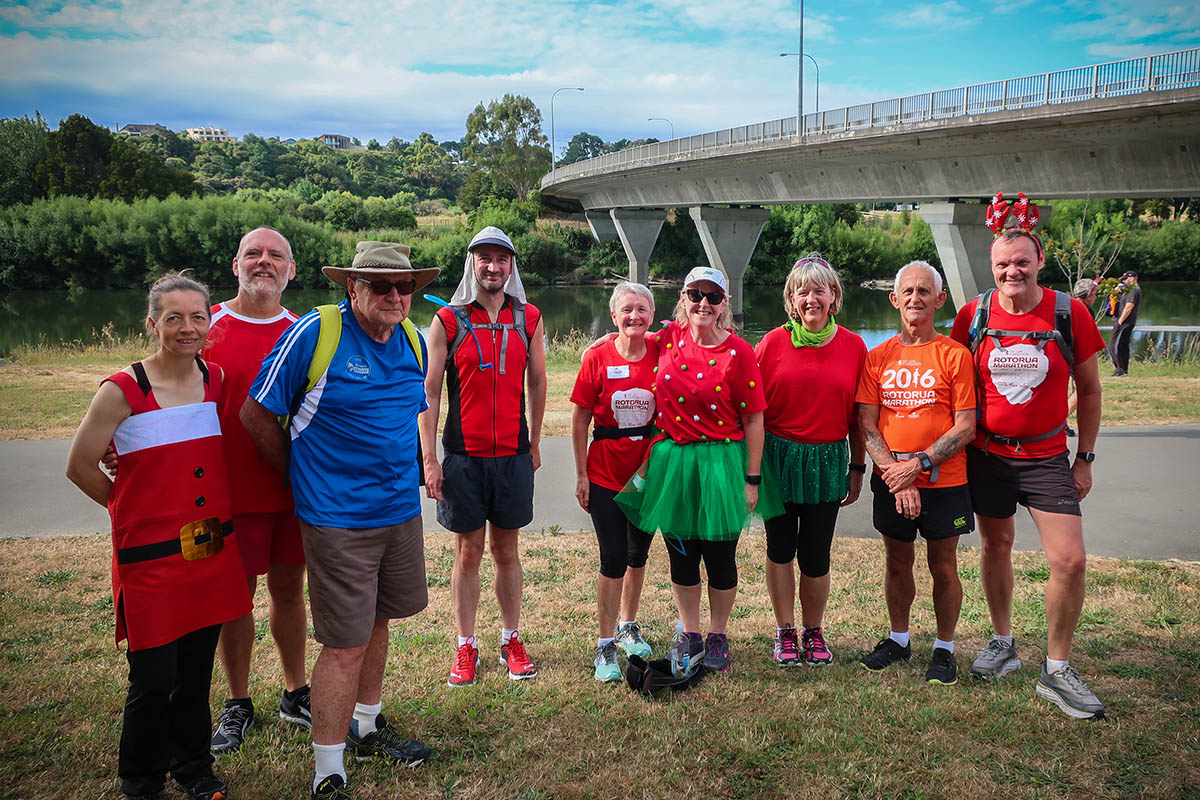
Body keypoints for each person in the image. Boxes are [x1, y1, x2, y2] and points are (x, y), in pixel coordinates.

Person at [242, 242, 438, 798]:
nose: (395, 296)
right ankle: (328, 768)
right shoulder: (317, 333)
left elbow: (404, 418)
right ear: (352, 287)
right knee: (345, 644)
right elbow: (255, 412)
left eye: (404, 286)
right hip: (338, 520)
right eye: (380, 285)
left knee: (378, 622)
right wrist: (299, 474)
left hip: (398, 513)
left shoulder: (413, 340)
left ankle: (366, 724)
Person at [66, 273, 251, 800]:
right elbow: (79, 466)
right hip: (150, 559)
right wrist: (128, 510)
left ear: (210, 322)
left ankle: (193, 768)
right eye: (174, 318)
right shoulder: (121, 390)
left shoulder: (214, 380)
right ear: (153, 324)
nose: (187, 328)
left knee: (195, 672)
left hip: (209, 550)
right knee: (152, 677)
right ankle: (141, 781)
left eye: (197, 317)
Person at [950, 211, 1108, 720]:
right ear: (991, 266)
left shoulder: (1069, 313)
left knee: (1070, 560)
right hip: (987, 456)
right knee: (995, 545)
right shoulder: (973, 315)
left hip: (1046, 458)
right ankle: (1003, 643)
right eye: (1003, 264)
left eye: (1021, 262)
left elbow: (1089, 390)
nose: (1011, 271)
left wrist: (1084, 458)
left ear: (1039, 260)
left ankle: (1057, 669)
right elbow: (954, 386)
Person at [615, 266, 783, 676]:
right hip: (674, 465)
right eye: (695, 295)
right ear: (683, 299)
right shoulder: (668, 338)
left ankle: (718, 634)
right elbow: (628, 340)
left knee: (720, 556)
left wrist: (753, 478)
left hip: (722, 464)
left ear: (725, 304)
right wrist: (604, 343)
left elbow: (754, 420)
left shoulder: (739, 352)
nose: (703, 303)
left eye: (713, 296)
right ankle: (690, 632)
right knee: (682, 555)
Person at [420, 226, 548, 687]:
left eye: (501, 259)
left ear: (511, 266)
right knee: (468, 552)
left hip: (512, 455)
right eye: (484, 259)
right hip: (464, 457)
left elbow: (537, 381)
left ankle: (511, 639)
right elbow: (430, 392)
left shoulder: (528, 317)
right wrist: (429, 458)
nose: (493, 267)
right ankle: (466, 644)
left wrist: (535, 443)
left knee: (506, 550)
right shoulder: (448, 321)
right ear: (472, 264)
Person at [204, 227, 310, 753]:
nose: (263, 262)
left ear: (291, 270)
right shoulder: (204, 327)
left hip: (290, 490)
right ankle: (238, 701)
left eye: (275, 256)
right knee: (234, 598)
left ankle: (295, 693)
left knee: (289, 591)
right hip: (227, 493)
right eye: (253, 254)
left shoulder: (304, 332)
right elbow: (162, 390)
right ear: (236, 265)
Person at [855, 262, 976, 685]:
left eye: (924, 291)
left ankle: (944, 648)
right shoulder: (877, 357)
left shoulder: (955, 355)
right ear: (894, 299)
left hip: (945, 481)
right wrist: (896, 476)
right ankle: (899, 639)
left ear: (940, 299)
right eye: (907, 291)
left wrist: (917, 466)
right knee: (896, 561)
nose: (915, 298)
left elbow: (965, 427)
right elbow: (867, 424)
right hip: (892, 481)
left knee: (943, 564)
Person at [754, 255, 867, 667]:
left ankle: (813, 631)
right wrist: (751, 470)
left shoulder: (854, 347)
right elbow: (753, 413)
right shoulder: (771, 344)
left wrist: (857, 468)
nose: (811, 299)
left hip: (828, 460)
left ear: (834, 296)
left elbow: (860, 417)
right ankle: (785, 631)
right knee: (780, 548)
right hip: (779, 459)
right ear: (791, 299)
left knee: (816, 554)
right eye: (802, 291)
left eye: (820, 290)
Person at [570, 282, 659, 681]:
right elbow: (579, 420)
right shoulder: (597, 357)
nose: (634, 316)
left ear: (652, 315)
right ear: (613, 316)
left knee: (637, 555)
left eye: (641, 309)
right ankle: (605, 644)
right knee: (613, 559)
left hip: (650, 475)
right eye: (626, 310)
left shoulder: (662, 351)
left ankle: (628, 625)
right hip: (605, 473)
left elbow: (693, 329)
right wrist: (581, 474)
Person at [1066, 278, 1100, 436]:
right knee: (1085, 389)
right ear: (1089, 295)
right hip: (1075, 355)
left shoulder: (1066, 305)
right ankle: (1060, 420)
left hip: (1059, 353)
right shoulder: (1085, 310)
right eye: (1096, 294)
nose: (1096, 297)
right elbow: (1087, 338)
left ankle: (1059, 421)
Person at [1108, 270, 1141, 376]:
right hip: (1125, 321)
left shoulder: (1134, 290)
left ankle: (1120, 370)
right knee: (1122, 345)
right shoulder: (1128, 290)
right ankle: (1123, 370)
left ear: (1133, 278)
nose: (1124, 281)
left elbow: (1129, 306)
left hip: (1125, 322)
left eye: (1126, 279)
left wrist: (1120, 321)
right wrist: (1116, 292)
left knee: (1114, 345)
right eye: (1123, 279)